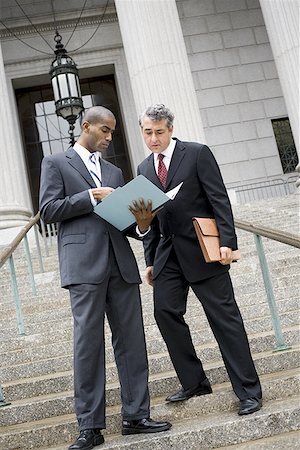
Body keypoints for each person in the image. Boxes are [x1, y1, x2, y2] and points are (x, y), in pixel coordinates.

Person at [39, 106, 171, 450]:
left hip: (121, 266)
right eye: (105, 131)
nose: (110, 138)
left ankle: (136, 416)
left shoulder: (115, 171)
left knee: (132, 342)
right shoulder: (55, 163)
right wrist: (89, 197)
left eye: (112, 132)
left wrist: (142, 222)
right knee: (87, 345)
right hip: (83, 266)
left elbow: (126, 223)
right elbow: (48, 210)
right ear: (87, 126)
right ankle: (90, 427)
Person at [136, 103, 262, 416]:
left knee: (224, 318)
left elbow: (218, 198)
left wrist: (227, 243)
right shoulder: (143, 169)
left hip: (204, 250)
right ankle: (194, 381)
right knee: (165, 312)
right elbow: (148, 219)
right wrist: (150, 259)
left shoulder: (196, 153)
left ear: (170, 129)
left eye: (159, 132)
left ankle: (248, 391)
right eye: (148, 132)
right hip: (168, 255)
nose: (153, 139)